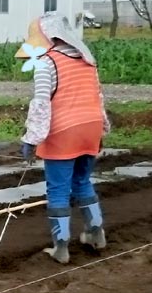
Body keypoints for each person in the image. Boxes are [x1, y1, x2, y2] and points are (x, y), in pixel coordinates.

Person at [16, 13, 112, 264]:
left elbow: (41, 103)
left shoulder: (47, 63)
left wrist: (31, 137)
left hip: (64, 131)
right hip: (90, 127)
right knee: (82, 181)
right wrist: (101, 130)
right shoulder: (87, 60)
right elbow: (98, 98)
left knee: (58, 189)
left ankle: (61, 247)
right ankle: (96, 233)